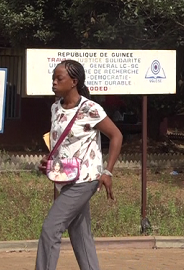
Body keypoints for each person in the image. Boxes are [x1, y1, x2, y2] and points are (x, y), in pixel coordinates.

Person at [37, 60, 123, 270]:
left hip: (85, 180)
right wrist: (50, 160)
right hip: (64, 178)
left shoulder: (90, 109)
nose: (54, 83)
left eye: (60, 79)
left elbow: (116, 136)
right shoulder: (55, 108)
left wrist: (107, 171)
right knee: (80, 234)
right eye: (53, 79)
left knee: (51, 229)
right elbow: (62, 142)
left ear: (74, 82)